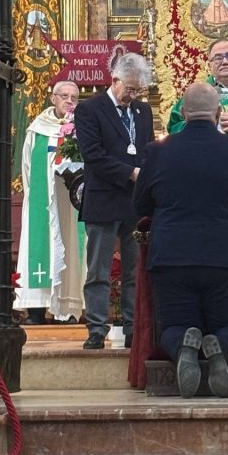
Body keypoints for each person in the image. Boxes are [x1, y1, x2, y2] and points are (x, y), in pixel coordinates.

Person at [134, 83, 228, 398]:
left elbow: (140, 206)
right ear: (219, 112)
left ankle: (185, 342)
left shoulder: (157, 151)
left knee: (171, 327)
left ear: (183, 113)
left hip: (172, 258)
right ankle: (220, 346)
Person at [74, 52, 155, 350]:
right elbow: (93, 155)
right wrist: (131, 172)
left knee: (135, 268)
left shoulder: (142, 112)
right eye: (129, 89)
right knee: (99, 269)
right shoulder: (90, 110)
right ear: (115, 79)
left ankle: (133, 327)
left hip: (134, 203)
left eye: (137, 91)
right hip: (104, 199)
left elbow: (146, 149)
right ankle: (96, 327)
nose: (132, 96)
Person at [14, 80, 86, 325]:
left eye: (74, 97)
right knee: (40, 245)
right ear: (53, 98)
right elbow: (25, 166)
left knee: (71, 244)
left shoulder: (83, 128)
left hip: (71, 203)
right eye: (64, 96)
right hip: (43, 203)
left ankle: (67, 309)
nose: (69, 101)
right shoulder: (37, 130)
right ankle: (36, 309)